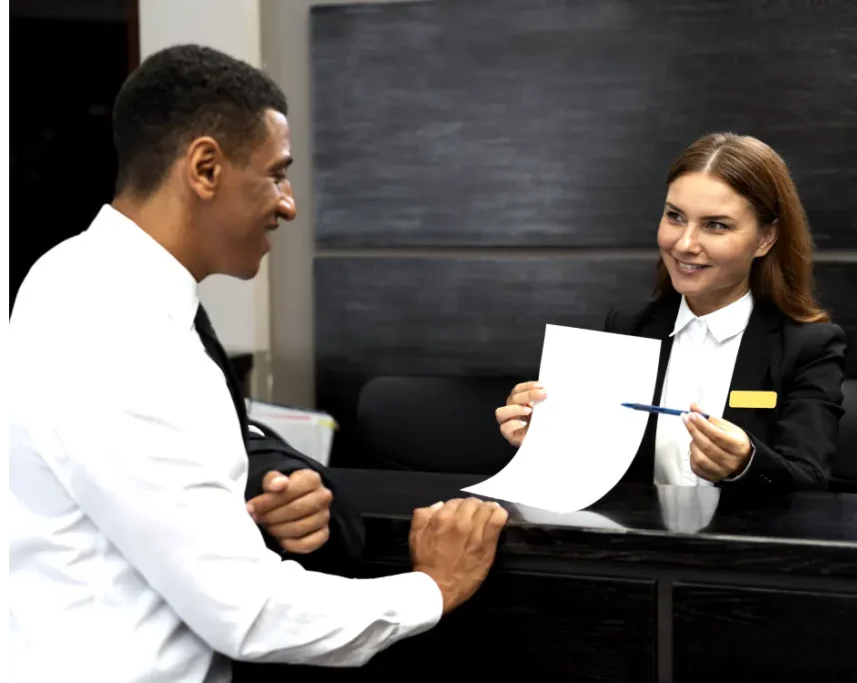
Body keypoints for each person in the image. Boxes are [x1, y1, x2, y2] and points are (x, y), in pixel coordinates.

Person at [8, 44, 508, 682]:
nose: (289, 203)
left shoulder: (73, 276)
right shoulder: (114, 321)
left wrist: (260, 489)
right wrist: (431, 587)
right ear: (206, 168)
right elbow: (248, 610)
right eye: (276, 173)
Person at [496, 133, 846, 492]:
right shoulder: (628, 329)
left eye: (716, 225)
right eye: (675, 217)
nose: (684, 244)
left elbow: (810, 481)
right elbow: (599, 472)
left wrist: (746, 463)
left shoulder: (809, 346)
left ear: (765, 239)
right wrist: (543, 441)